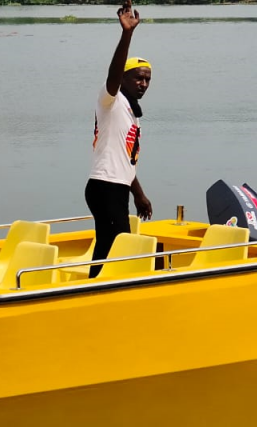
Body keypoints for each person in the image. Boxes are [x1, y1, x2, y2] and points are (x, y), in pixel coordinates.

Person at [86, 0, 153, 279]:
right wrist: (127, 34)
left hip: (116, 188)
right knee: (116, 246)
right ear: (123, 79)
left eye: (148, 79)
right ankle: (96, 294)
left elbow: (125, 160)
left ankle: (92, 292)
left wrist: (138, 193)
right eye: (138, 78)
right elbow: (112, 75)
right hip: (105, 187)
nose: (144, 84)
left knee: (108, 247)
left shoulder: (130, 113)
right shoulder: (110, 100)